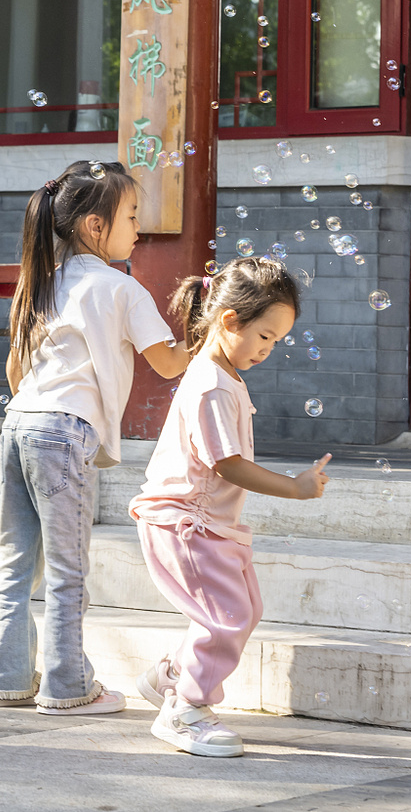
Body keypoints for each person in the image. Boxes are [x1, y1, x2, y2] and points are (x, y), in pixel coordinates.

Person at [0, 160, 190, 716]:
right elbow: (168, 364)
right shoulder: (121, 287)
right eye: (132, 216)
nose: (138, 230)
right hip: (64, 433)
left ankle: (5, 677)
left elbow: (14, 373)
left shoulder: (41, 281)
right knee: (69, 569)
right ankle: (69, 687)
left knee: (15, 562)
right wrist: (215, 339)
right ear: (96, 227)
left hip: (18, 424)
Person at [131, 257, 330, 758]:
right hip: (187, 522)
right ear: (229, 321)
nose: (269, 349)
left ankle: (171, 676)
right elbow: (229, 465)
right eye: (265, 336)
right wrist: (295, 487)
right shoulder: (212, 385)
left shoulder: (223, 375)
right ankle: (185, 710)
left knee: (243, 609)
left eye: (277, 341)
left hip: (210, 523)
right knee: (226, 616)